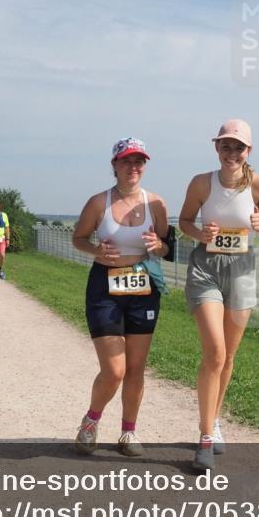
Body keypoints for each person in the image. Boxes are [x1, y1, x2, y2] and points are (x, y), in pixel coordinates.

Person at [178, 119, 259, 471]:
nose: (231, 152)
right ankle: (205, 436)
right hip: (205, 269)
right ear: (216, 148)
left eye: (238, 147)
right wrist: (201, 233)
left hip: (241, 272)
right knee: (215, 351)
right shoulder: (200, 183)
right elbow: (184, 223)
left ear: (248, 151)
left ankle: (215, 417)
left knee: (229, 356)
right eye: (225, 145)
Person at [71, 137, 171, 457]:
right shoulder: (99, 203)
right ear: (114, 165)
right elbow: (79, 238)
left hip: (143, 286)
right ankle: (91, 420)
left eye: (139, 161)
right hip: (105, 287)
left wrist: (160, 247)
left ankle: (129, 432)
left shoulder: (156, 204)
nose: (133, 167)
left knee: (137, 367)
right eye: (127, 161)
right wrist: (96, 249)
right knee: (115, 369)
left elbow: (168, 249)